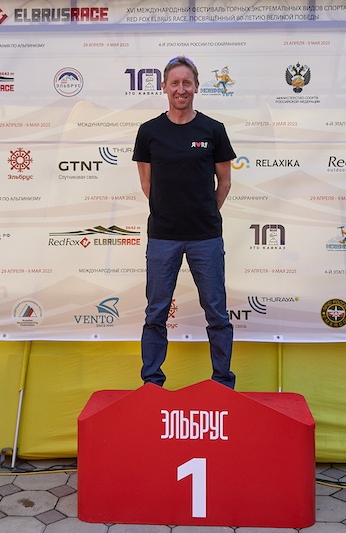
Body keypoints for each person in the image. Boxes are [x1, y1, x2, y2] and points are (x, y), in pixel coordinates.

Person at [133, 56, 236, 389]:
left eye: (187, 83)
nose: (181, 89)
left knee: (217, 312)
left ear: (196, 87)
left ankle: (222, 382)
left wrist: (206, 213)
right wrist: (169, 212)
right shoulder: (149, 132)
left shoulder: (213, 130)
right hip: (163, 237)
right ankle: (152, 383)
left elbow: (225, 182)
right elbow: (147, 184)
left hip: (206, 237)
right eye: (175, 83)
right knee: (156, 312)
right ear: (164, 87)